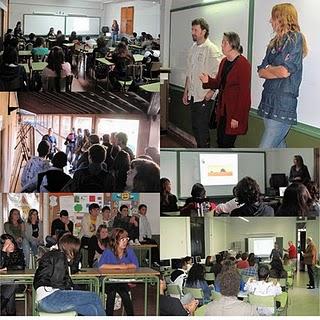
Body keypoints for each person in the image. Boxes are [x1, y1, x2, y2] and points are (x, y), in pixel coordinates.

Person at [257, 3, 308, 148]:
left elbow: (285, 71)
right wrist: (274, 69)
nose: (270, 21)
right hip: (268, 99)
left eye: (273, 18)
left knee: (265, 148)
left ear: (282, 18)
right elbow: (261, 71)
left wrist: (270, 69)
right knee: (279, 146)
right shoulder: (273, 43)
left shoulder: (295, 39)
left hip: (283, 103)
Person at [200, 32, 251, 147]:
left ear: (232, 44)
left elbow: (244, 94)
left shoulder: (243, 64)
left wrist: (236, 118)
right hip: (222, 110)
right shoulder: (224, 61)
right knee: (220, 141)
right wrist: (207, 80)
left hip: (233, 112)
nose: (222, 45)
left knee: (227, 143)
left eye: (224, 42)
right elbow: (219, 82)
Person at [34, 234, 105, 316]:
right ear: (70, 249)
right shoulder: (59, 257)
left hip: (44, 300)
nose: (77, 252)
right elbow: (59, 283)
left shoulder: (55, 255)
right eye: (75, 250)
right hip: (50, 298)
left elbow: (71, 272)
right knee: (94, 297)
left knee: (92, 309)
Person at [183, 18, 223, 148]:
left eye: (196, 30)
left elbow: (218, 75)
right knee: (195, 127)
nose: (193, 32)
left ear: (203, 31)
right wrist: (185, 92)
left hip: (204, 96)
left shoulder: (211, 49)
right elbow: (189, 72)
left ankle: (204, 152)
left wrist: (211, 92)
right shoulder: (193, 48)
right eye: (192, 30)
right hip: (193, 95)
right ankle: (200, 150)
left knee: (202, 129)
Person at [98, 228, 139, 316]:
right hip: (108, 281)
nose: (125, 242)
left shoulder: (129, 250)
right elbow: (101, 266)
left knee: (124, 293)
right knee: (112, 292)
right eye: (122, 239)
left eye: (126, 239)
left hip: (122, 280)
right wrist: (119, 267)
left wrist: (127, 266)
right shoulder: (108, 251)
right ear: (115, 240)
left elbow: (135, 265)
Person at [0, 234, 25, 316]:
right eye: (8, 244)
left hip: (18, 283)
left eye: (12, 243)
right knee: (9, 291)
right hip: (2, 283)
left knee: (12, 285)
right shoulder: (1, 253)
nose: (11, 246)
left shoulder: (18, 252)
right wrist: (3, 251)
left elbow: (21, 266)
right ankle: (11, 315)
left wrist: (8, 268)